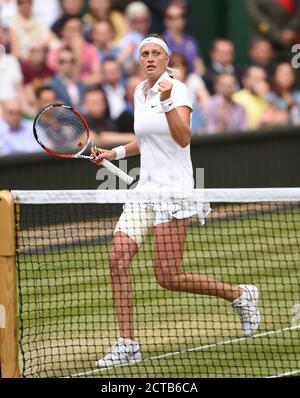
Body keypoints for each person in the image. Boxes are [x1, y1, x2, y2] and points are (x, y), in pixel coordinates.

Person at [91, 34, 260, 368]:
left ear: (167, 60)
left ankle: (240, 295)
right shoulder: (139, 92)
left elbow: (183, 137)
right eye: (144, 54)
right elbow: (146, 137)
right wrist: (116, 152)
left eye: (156, 53)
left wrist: (167, 101)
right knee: (117, 259)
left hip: (174, 190)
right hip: (145, 189)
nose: (150, 58)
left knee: (167, 277)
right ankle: (128, 343)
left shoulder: (178, 89)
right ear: (139, 60)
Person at [163, 2, 205, 75]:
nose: (175, 21)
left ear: (184, 19)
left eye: (180, 16)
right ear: (165, 20)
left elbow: (200, 66)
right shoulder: (161, 42)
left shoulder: (191, 41)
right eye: (170, 17)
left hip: (191, 79)